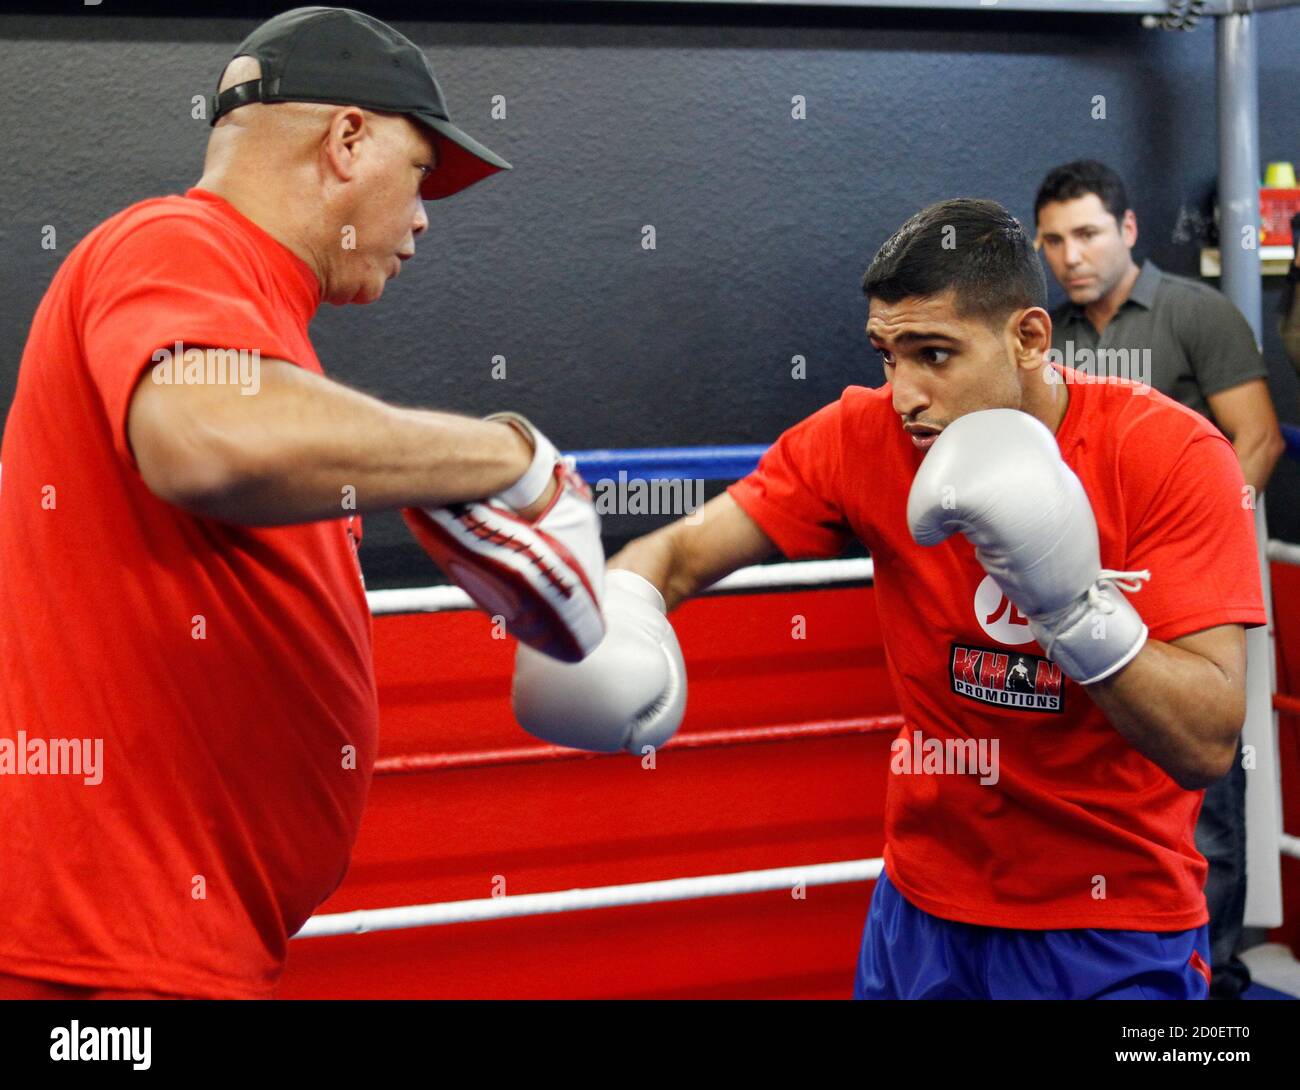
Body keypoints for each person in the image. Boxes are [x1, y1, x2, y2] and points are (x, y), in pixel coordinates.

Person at [514, 199, 1267, 999]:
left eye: (934, 354)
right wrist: (620, 606)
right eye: (887, 356)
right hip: (924, 911)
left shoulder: (1171, 454)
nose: (904, 393)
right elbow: (682, 551)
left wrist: (1072, 608)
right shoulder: (861, 434)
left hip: (1112, 923)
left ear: (1030, 339)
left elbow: (1207, 743)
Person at [0, 7, 604, 999]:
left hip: (166, 942)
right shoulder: (178, 240)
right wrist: (506, 459)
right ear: (348, 139)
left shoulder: (253, 319)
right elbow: (208, 441)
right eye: (420, 178)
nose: (420, 221)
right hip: (108, 956)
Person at [1035, 159, 1284, 999]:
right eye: (1055, 240)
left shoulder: (1194, 313)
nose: (1072, 255)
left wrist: (1190, 541)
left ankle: (1209, 986)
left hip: (1186, 600)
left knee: (1205, 788)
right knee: (1096, 782)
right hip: (1076, 604)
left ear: (1129, 230)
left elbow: (1257, 440)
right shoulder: (1046, 339)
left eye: (1089, 234)